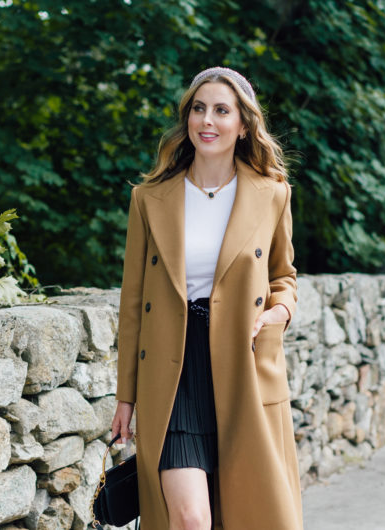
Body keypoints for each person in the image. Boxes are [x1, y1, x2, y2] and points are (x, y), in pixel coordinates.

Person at [111, 66, 302, 530]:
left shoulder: (272, 194)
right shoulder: (149, 198)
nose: (207, 120)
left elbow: (284, 277)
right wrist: (126, 396)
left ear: (243, 125)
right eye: (199, 109)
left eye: (221, 110)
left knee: (244, 514)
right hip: (171, 369)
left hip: (243, 364)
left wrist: (278, 312)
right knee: (192, 518)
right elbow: (133, 302)